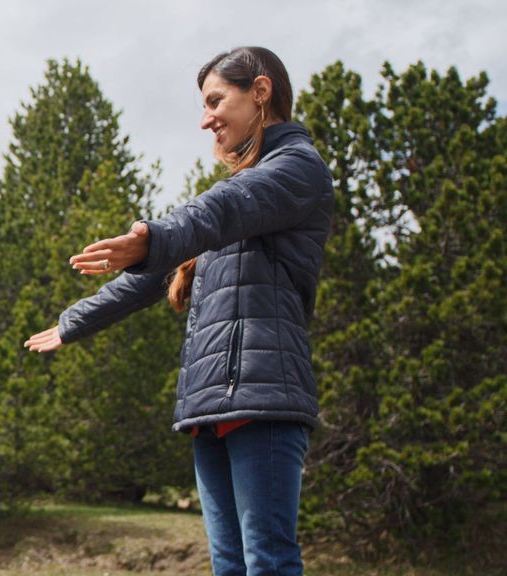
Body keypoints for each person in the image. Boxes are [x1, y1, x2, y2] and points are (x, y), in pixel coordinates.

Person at [25, 47, 333, 575]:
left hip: (262, 398)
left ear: (260, 92)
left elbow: (220, 209)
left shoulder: (295, 169)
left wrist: (155, 236)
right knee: (229, 564)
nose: (205, 117)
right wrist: (75, 321)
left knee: (268, 561)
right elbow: (150, 282)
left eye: (217, 100)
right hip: (211, 402)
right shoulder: (242, 195)